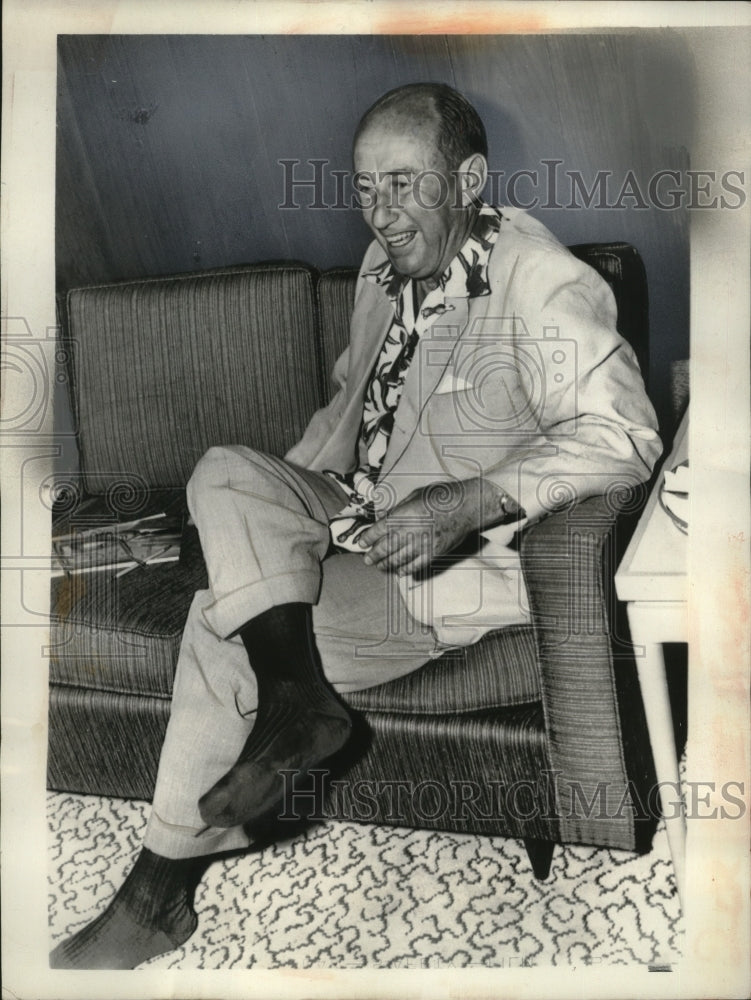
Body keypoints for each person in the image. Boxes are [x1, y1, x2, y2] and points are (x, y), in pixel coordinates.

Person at [50, 82, 661, 969]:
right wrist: (270, 525)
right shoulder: (381, 275)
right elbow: (348, 415)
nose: (382, 213)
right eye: (366, 188)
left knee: (217, 626)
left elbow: (626, 436)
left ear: (469, 179)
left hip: (441, 571)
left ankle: (156, 896)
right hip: (355, 519)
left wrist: (470, 499)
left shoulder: (542, 284)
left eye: (406, 184)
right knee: (222, 468)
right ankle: (298, 699)